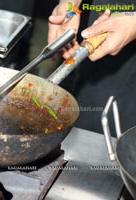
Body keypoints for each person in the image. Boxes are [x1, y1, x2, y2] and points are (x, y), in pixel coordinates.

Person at [48, 0, 136, 135]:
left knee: (114, 125)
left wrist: (133, 22)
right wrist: (70, 5)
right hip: (105, 14)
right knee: (82, 114)